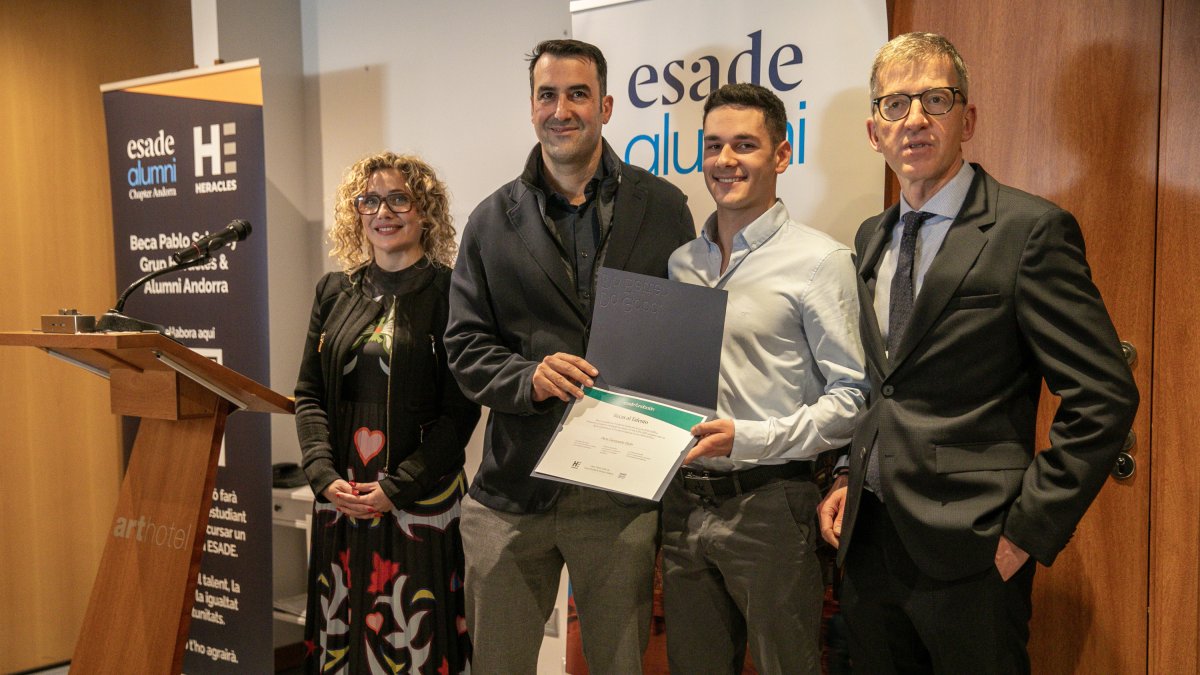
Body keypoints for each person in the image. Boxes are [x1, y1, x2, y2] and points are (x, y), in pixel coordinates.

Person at [817, 32, 1139, 673]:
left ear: (967, 120)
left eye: (935, 100)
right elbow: (885, 384)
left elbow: (1104, 396)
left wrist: (1026, 534)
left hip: (976, 551)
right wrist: (849, 472)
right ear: (874, 132)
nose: (914, 119)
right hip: (870, 545)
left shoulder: (1029, 231)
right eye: (895, 104)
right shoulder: (871, 236)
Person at [444, 39, 694, 674]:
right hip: (511, 491)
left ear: (605, 106)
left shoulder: (665, 208)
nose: (561, 110)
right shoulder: (489, 220)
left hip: (620, 495)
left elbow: (681, 336)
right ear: (531, 107)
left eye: (577, 94)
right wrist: (528, 377)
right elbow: (464, 345)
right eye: (547, 95)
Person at [661, 83, 867, 675]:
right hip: (682, 506)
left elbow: (854, 399)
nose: (725, 161)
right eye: (713, 146)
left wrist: (747, 438)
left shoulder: (821, 261)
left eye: (744, 145)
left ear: (781, 154)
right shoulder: (681, 263)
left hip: (772, 506)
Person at [294, 152, 480, 674]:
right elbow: (308, 393)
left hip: (420, 500)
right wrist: (322, 475)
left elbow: (461, 412)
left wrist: (399, 486)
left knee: (415, 642)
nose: (384, 212)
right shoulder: (333, 291)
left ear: (425, 210)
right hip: (343, 497)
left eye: (399, 198)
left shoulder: (452, 293)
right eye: (370, 200)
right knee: (343, 637)